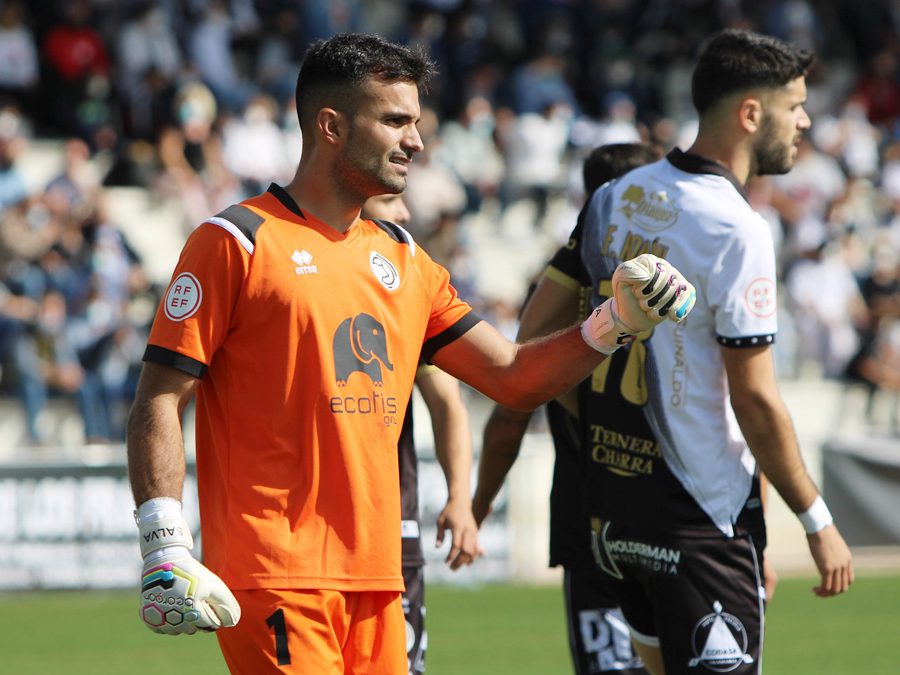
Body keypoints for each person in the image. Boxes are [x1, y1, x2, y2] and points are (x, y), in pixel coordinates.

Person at [126, 32, 695, 674]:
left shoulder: (403, 256)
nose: (417, 141)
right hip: (277, 572)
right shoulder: (236, 240)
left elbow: (512, 377)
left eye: (417, 122)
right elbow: (160, 396)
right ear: (332, 125)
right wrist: (164, 541)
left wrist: (616, 319)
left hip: (380, 581)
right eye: (396, 120)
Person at [509, 29, 849, 675]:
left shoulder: (616, 196)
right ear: (751, 113)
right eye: (796, 105)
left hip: (616, 513)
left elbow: (533, 333)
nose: (805, 121)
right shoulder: (736, 227)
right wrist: (816, 516)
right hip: (699, 520)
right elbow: (753, 397)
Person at [473, 142, 660, 675]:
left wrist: (480, 503)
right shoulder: (676, 282)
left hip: (592, 520)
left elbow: (513, 406)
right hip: (667, 513)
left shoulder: (553, 288)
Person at [362, 192, 479, 674]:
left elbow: (449, 403)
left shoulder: (403, 292)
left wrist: (460, 498)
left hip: (395, 525)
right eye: (391, 200)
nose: (406, 213)